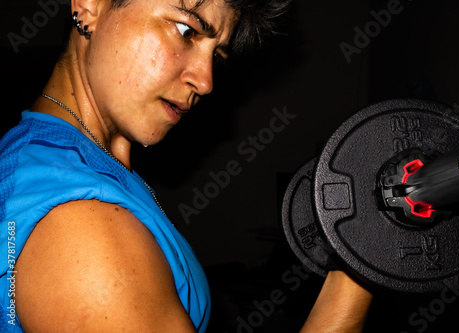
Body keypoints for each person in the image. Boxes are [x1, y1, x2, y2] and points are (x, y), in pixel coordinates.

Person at [0, 0, 372, 331]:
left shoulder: (72, 160)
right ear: (89, 5)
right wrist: (363, 259)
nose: (206, 81)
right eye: (185, 30)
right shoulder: (77, 225)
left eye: (217, 56)